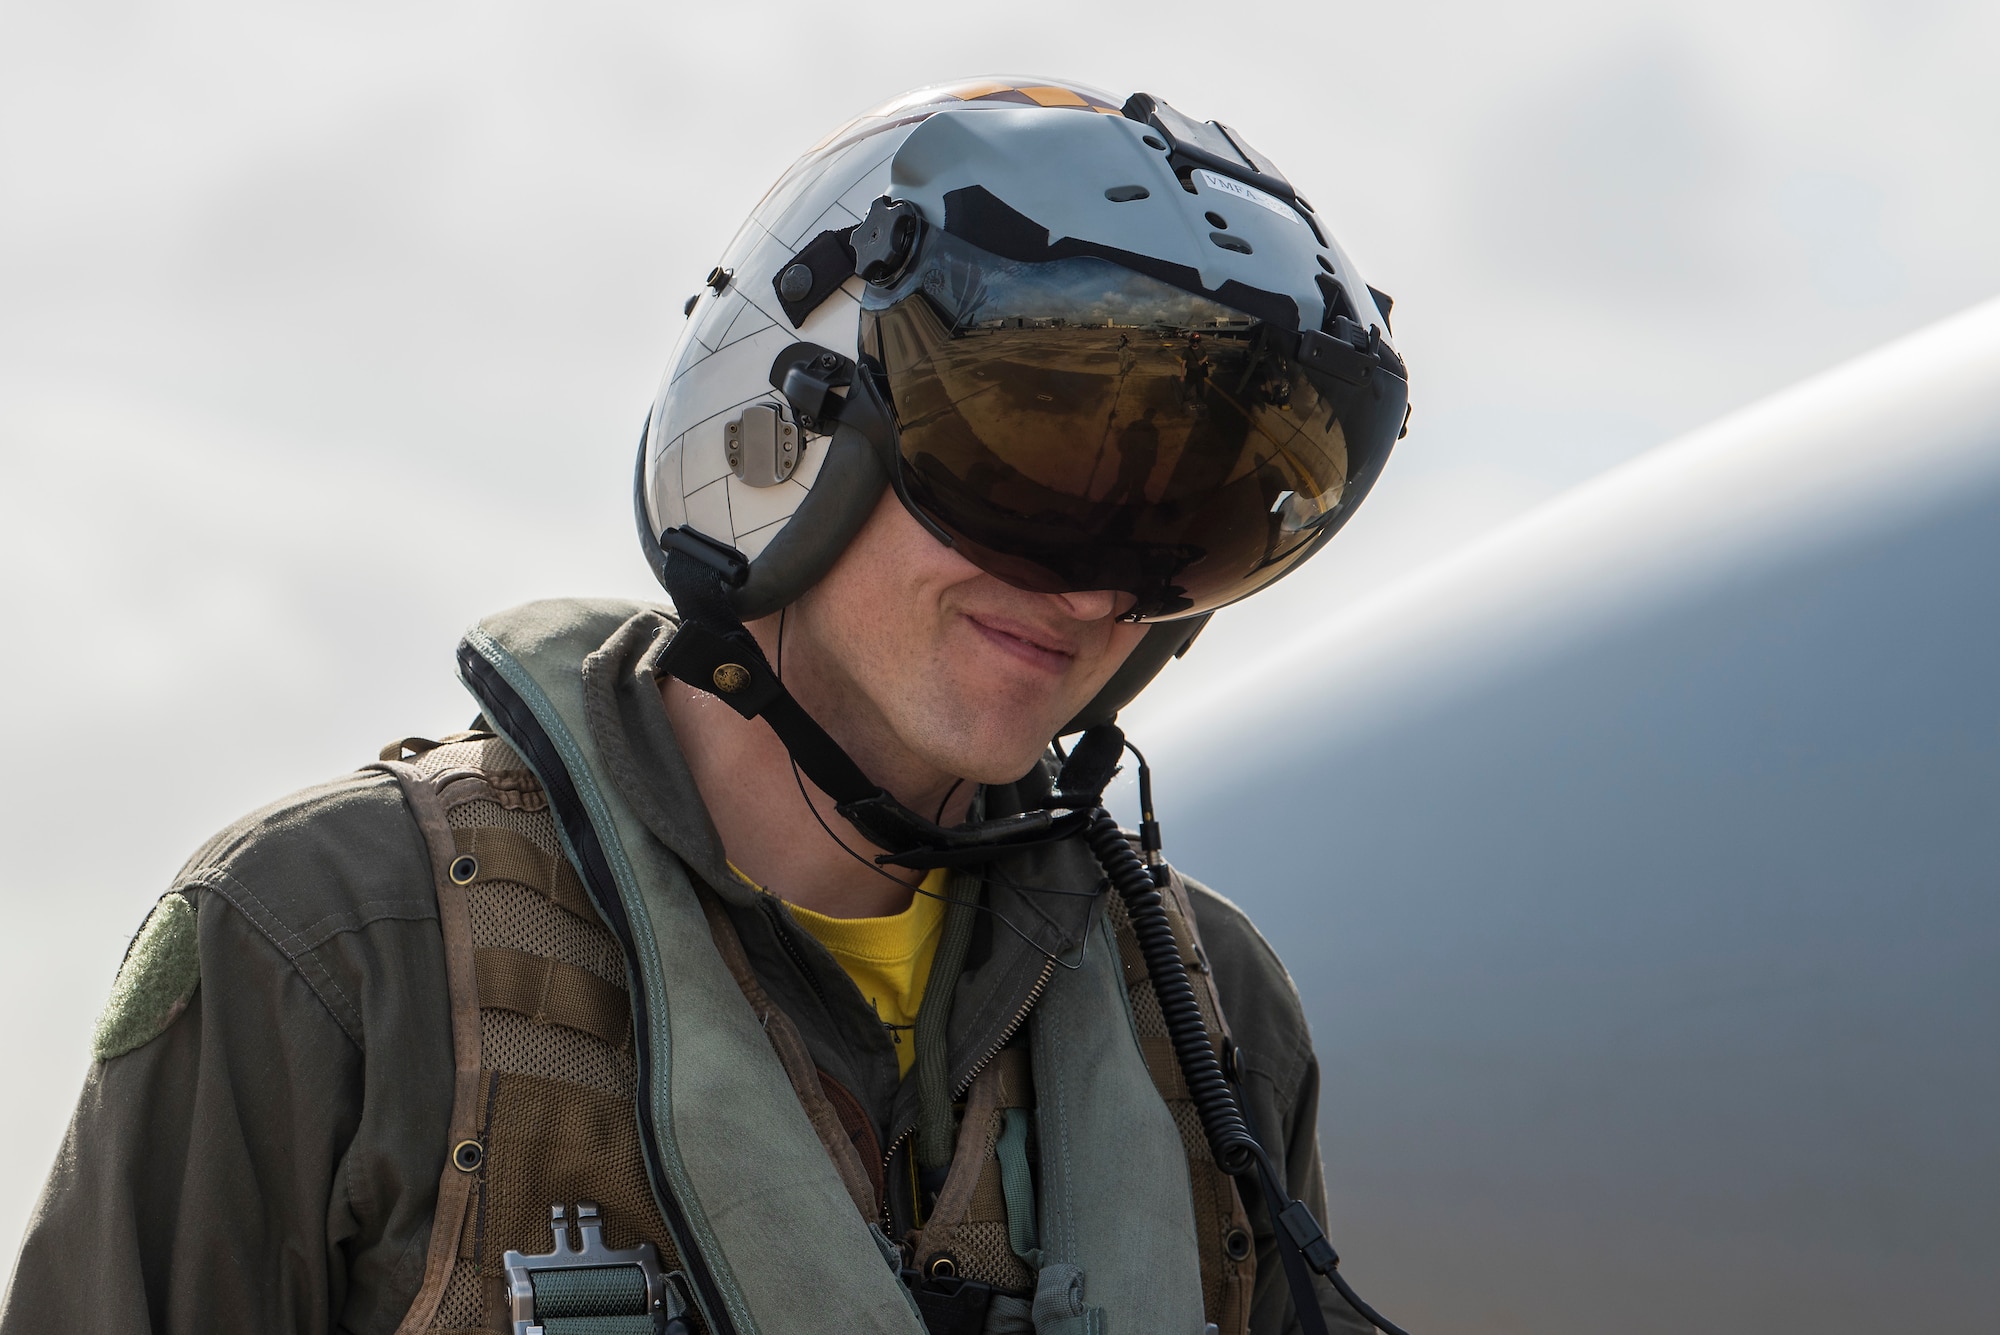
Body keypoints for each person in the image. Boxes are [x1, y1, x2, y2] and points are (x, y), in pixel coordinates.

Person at [1, 78, 1409, 1335]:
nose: (1098, 590)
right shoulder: (331, 947)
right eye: (1030, 458)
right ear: (786, 424)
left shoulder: (1209, 1019)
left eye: (1194, 517)